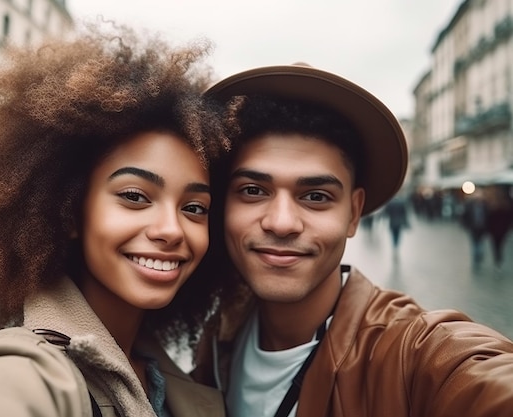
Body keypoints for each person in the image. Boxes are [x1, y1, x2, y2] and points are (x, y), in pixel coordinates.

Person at [0, 22, 230, 417]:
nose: (171, 229)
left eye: (194, 208)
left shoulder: (172, 375)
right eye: (134, 197)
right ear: (69, 211)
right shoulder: (24, 376)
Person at [193, 63, 513, 417]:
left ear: (354, 212)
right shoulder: (221, 329)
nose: (282, 223)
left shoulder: (408, 353)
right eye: (252, 190)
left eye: (315, 196)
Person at [460, 188, 489, 268]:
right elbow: (464, 215)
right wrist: (466, 225)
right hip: (473, 227)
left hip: (482, 228)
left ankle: (479, 254)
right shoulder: (469, 204)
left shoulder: (485, 205)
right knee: (474, 243)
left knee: (480, 243)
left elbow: (488, 216)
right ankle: (476, 257)